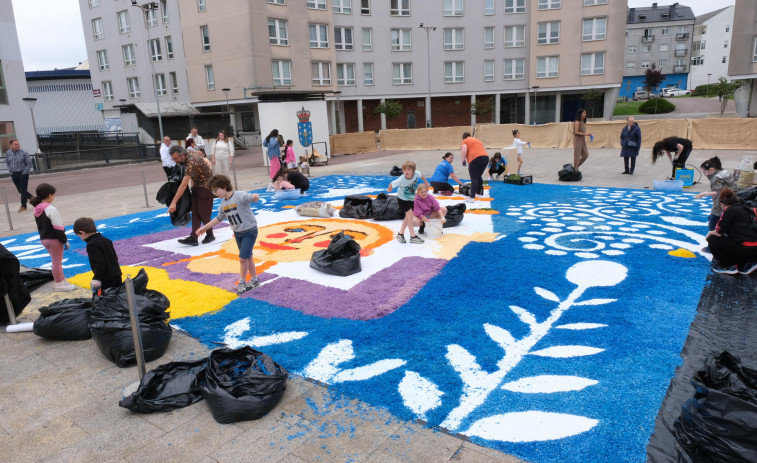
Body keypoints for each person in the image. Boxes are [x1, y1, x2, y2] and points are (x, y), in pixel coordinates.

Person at [196, 175, 262, 294]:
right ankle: (255, 279)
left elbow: (250, 197)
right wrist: (205, 227)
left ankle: (242, 282)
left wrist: (254, 197)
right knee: (248, 256)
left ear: (224, 187)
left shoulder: (238, 195)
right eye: (213, 191)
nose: (215, 193)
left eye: (215, 190)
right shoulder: (223, 204)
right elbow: (219, 218)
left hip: (249, 231)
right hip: (238, 233)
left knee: (242, 258)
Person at [30, 183, 75, 291]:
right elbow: (58, 227)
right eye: (53, 195)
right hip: (53, 239)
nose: (54, 197)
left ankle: (62, 280)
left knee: (56, 261)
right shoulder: (50, 209)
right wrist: (64, 240)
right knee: (57, 262)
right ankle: (59, 284)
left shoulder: (37, 209)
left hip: (44, 238)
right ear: (50, 195)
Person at [168, 145, 215, 246]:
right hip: (197, 186)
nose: (175, 161)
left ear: (182, 155)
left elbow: (183, 185)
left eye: (176, 158)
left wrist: (174, 202)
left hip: (206, 187)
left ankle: (210, 234)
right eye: (173, 159)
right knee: (195, 212)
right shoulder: (188, 154)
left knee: (203, 213)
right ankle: (194, 237)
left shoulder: (190, 162)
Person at [705, 188, 757, 275]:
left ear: (722, 204)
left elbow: (719, 232)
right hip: (754, 249)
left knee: (712, 238)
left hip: (746, 250)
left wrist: (709, 233)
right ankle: (750, 262)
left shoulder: (729, 210)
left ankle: (728, 265)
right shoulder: (746, 207)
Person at [73, 217, 122, 292]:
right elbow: (115, 257)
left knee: (107, 299)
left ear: (82, 232)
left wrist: (97, 278)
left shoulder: (91, 245)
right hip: (116, 274)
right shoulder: (106, 240)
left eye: (79, 236)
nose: (81, 238)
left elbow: (99, 262)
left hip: (106, 278)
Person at [387, 160, 429, 244]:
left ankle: (400, 233)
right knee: (410, 215)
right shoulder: (401, 179)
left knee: (408, 216)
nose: (406, 171)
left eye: (409, 169)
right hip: (402, 199)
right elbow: (392, 183)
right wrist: (389, 189)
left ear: (413, 170)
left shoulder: (416, 173)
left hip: (411, 198)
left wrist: (426, 183)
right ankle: (413, 236)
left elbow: (421, 175)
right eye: (404, 169)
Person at [695, 156, 736, 231]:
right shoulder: (724, 172)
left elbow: (718, 192)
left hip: (721, 204)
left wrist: (704, 194)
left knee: (713, 226)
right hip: (732, 199)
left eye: (704, 172)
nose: (704, 175)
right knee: (712, 218)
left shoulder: (716, 178)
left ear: (711, 169)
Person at [4, 139, 33, 212]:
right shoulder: (8, 153)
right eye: (15, 144)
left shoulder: (24, 153)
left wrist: (24, 172)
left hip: (23, 174)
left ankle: (23, 206)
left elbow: (29, 164)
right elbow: (7, 163)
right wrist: (10, 171)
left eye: (18, 144)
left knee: (23, 190)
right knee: (20, 191)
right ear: (11, 145)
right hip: (14, 174)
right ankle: (34, 199)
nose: (17, 145)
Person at [461, 132, 489, 202]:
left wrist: (463, 160)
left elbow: (464, 149)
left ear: (464, 137)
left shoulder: (465, 141)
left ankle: (472, 197)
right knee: (478, 176)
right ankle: (478, 194)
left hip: (475, 158)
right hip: (485, 158)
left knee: (474, 178)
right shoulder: (477, 140)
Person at [573, 108, 592, 173]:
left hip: (582, 139)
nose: (585, 114)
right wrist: (585, 134)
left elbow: (583, 131)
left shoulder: (583, 121)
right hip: (577, 139)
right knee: (577, 155)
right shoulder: (577, 122)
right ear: (580, 114)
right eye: (584, 113)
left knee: (585, 155)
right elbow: (575, 132)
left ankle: (576, 166)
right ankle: (575, 169)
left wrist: (588, 134)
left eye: (585, 113)